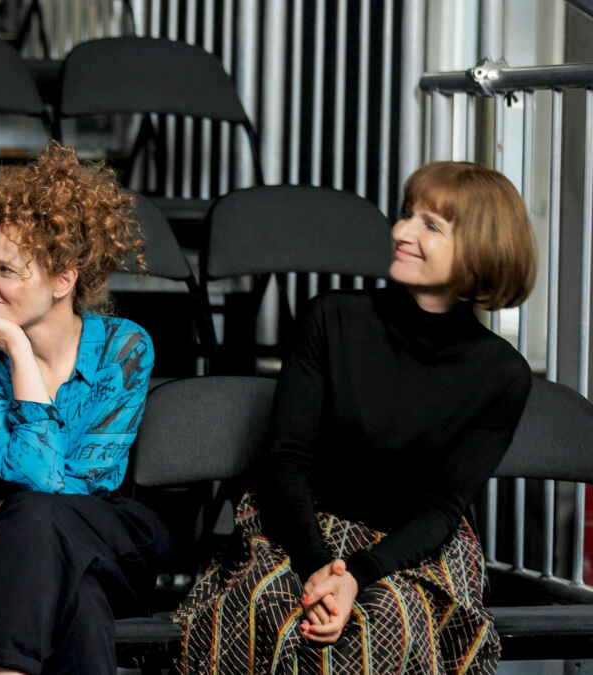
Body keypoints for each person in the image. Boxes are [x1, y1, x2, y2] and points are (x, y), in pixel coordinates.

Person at [176, 161, 537, 674]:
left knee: (387, 618)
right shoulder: (332, 317)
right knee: (273, 606)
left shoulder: (502, 373)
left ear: (481, 250)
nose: (401, 232)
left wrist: (356, 576)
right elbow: (287, 460)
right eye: (407, 215)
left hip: (410, 548)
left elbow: (441, 509)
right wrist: (319, 568)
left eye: (430, 226)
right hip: (301, 528)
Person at [0, 142, 171, 675]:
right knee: (72, 590)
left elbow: (79, 483)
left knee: (38, 526)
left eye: (6, 269)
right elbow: (37, 482)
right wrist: (19, 350)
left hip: (111, 537)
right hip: (26, 556)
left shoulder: (124, 347)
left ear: (64, 279)